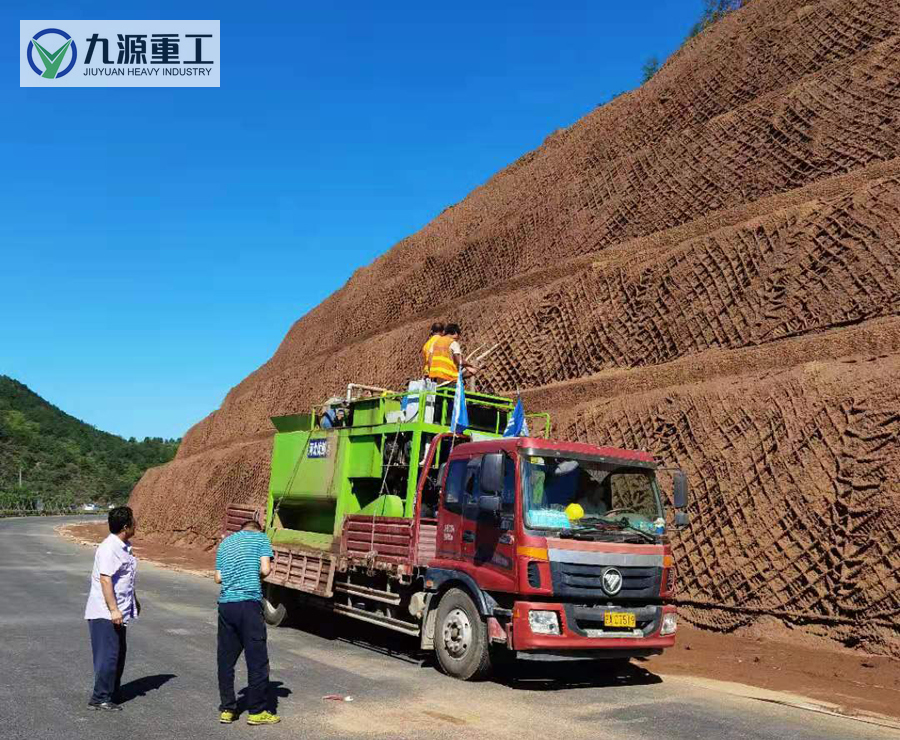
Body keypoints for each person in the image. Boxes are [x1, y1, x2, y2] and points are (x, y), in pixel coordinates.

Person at [215, 520, 280, 726]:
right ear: (259, 529)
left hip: (226, 606)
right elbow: (266, 570)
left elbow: (218, 578)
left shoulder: (225, 543)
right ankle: (257, 712)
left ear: (241, 529)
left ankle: (227, 709)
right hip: (249, 605)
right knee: (257, 660)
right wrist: (254, 575)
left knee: (226, 660)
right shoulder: (261, 539)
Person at [84, 506, 140, 711]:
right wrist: (114, 610)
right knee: (108, 657)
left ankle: (111, 693)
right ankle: (100, 698)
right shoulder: (109, 548)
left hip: (118, 611)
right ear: (126, 526)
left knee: (118, 655)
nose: (136, 524)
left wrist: (134, 602)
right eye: (134, 521)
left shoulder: (124, 546)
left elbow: (124, 579)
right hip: (105, 612)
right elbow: (105, 580)